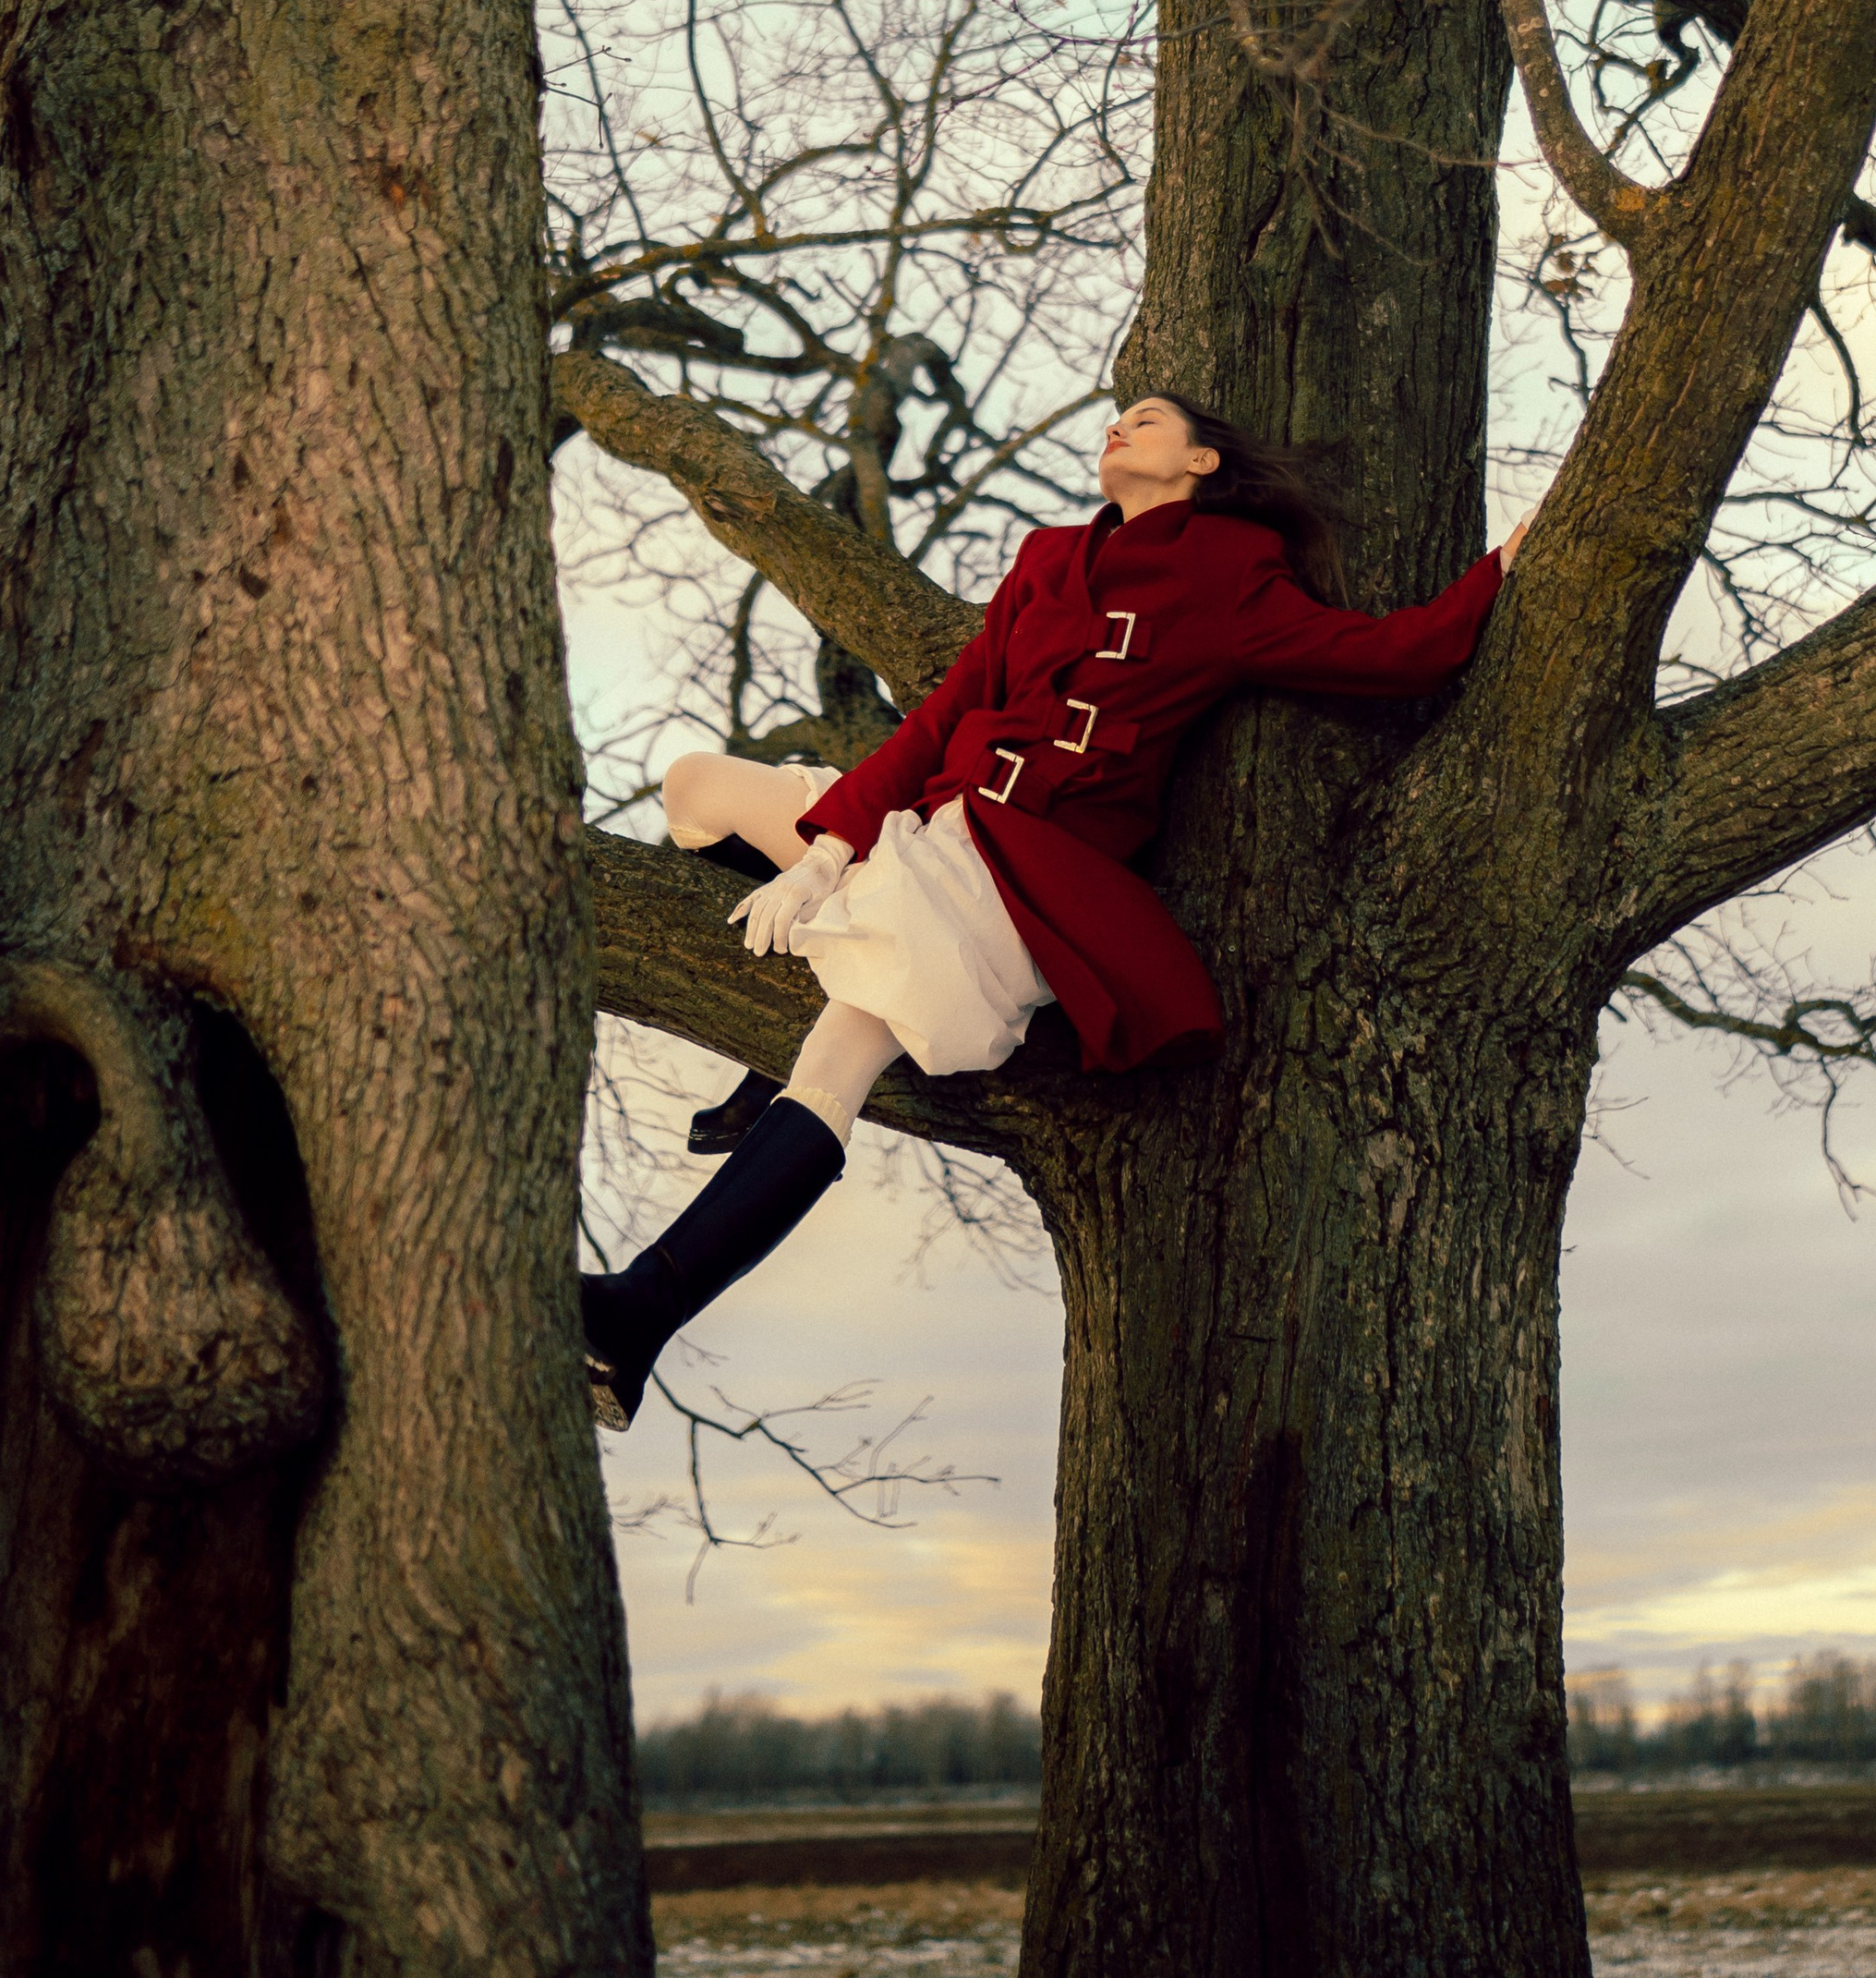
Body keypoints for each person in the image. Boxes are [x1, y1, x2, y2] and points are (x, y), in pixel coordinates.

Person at [581, 394, 1529, 1428]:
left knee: (832, 1071)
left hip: (1011, 883)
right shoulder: (1044, 557)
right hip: (928, 832)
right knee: (694, 789)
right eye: (1116, 417)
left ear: (1203, 461)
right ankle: (791, 1005)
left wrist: (1514, 560)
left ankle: (638, 1318)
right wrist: (827, 852)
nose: (1120, 427)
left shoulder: (1229, 572)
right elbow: (946, 713)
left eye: (1150, 421)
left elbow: (1403, 654)